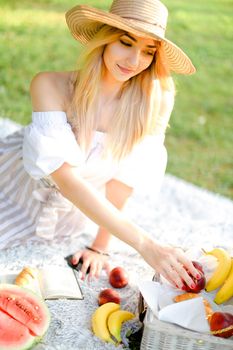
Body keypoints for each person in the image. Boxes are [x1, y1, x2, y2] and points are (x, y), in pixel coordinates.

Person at [0, 0, 201, 290]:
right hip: (13, 190)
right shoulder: (50, 85)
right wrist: (145, 244)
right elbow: (65, 178)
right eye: (125, 42)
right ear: (104, 39)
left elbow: (124, 179)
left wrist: (100, 246)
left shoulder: (154, 101)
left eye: (148, 51)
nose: (134, 61)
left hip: (76, 212)